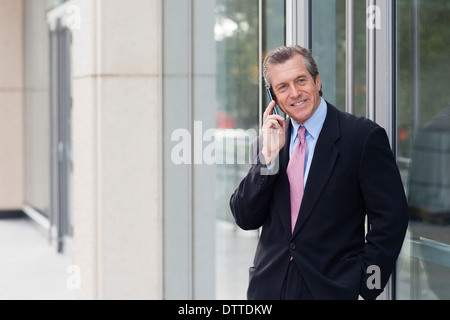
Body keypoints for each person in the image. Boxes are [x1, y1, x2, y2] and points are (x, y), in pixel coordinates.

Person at [229, 45, 409, 300]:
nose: (294, 93)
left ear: (317, 80)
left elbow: (392, 219)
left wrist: (365, 285)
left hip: (332, 290)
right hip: (268, 290)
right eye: (282, 87)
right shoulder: (267, 143)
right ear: (273, 97)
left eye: (300, 80)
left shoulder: (362, 137)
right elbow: (245, 218)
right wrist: (267, 160)